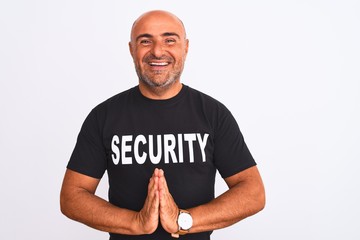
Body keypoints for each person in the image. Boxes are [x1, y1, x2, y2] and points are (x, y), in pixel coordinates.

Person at [60, 10, 265, 240]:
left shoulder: (213, 114)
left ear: (185, 48)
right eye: (145, 41)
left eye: (169, 40)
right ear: (131, 50)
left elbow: (253, 192)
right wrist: (134, 223)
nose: (157, 51)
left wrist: (182, 220)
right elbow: (71, 197)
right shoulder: (104, 116)